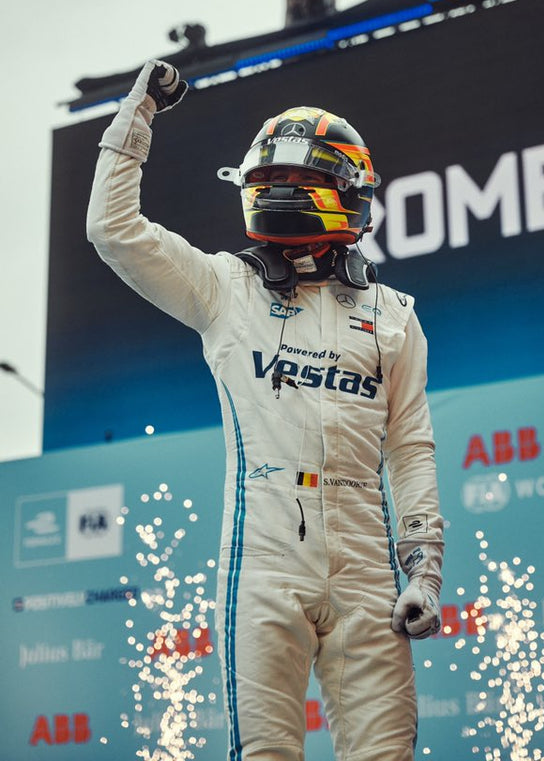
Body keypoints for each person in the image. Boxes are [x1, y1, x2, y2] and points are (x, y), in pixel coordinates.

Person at [87, 60, 444, 761]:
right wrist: (137, 119)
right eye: (271, 180)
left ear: (350, 191)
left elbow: (410, 446)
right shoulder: (226, 288)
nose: (283, 192)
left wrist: (425, 569)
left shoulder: (394, 314)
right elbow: (113, 230)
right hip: (263, 564)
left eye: (303, 181)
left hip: (371, 573)